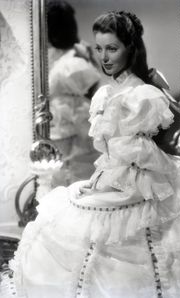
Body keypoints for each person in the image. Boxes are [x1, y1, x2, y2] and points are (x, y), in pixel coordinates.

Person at [10, 11, 180, 298]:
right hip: (117, 178)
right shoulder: (107, 92)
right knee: (67, 212)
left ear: (131, 48)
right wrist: (97, 181)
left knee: (124, 241)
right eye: (99, 49)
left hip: (140, 186)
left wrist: (107, 183)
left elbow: (140, 156)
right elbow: (113, 154)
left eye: (112, 48)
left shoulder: (141, 95)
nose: (104, 57)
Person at [47, 0, 100, 187]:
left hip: (71, 126)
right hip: (59, 124)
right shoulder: (58, 56)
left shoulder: (72, 61)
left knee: (69, 175)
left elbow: (92, 92)